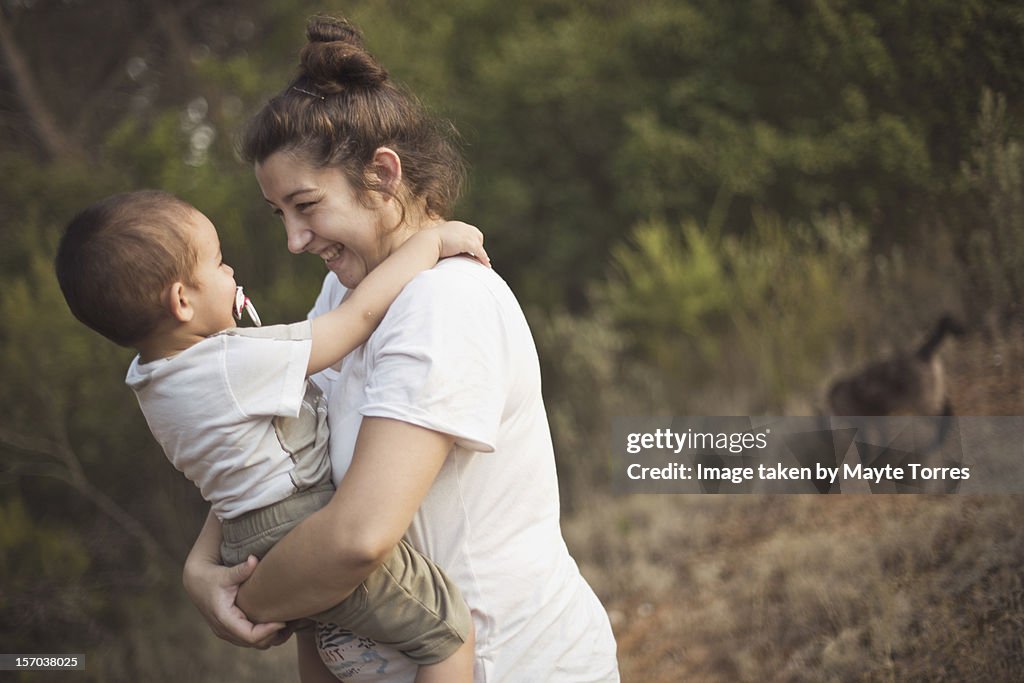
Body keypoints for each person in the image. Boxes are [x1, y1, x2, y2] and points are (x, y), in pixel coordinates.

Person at [183, 15, 621, 682]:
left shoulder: (446, 304)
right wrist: (198, 568)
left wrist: (245, 598)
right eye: (281, 216)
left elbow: (357, 538)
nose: (295, 240)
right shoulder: (343, 298)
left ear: (383, 175)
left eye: (306, 206)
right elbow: (282, 451)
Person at [54, 189, 490, 683]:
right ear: (181, 301)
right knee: (447, 631)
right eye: (218, 265)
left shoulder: (152, 382)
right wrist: (431, 243)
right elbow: (354, 321)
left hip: (242, 544)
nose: (230, 274)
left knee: (323, 645)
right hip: (299, 524)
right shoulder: (227, 362)